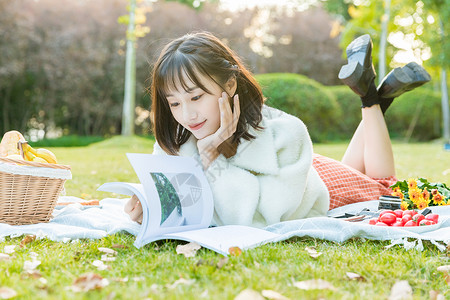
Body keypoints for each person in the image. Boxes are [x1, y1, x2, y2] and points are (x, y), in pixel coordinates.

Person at [124, 31, 430, 227]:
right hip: (307, 170)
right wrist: (151, 206)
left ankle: (370, 98)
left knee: (386, 188)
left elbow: (262, 216)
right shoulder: (177, 140)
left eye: (195, 97)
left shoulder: (281, 130)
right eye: (174, 103)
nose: (187, 114)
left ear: (230, 84)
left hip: (316, 187)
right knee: (358, 168)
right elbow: (186, 197)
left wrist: (212, 153)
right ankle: (375, 98)